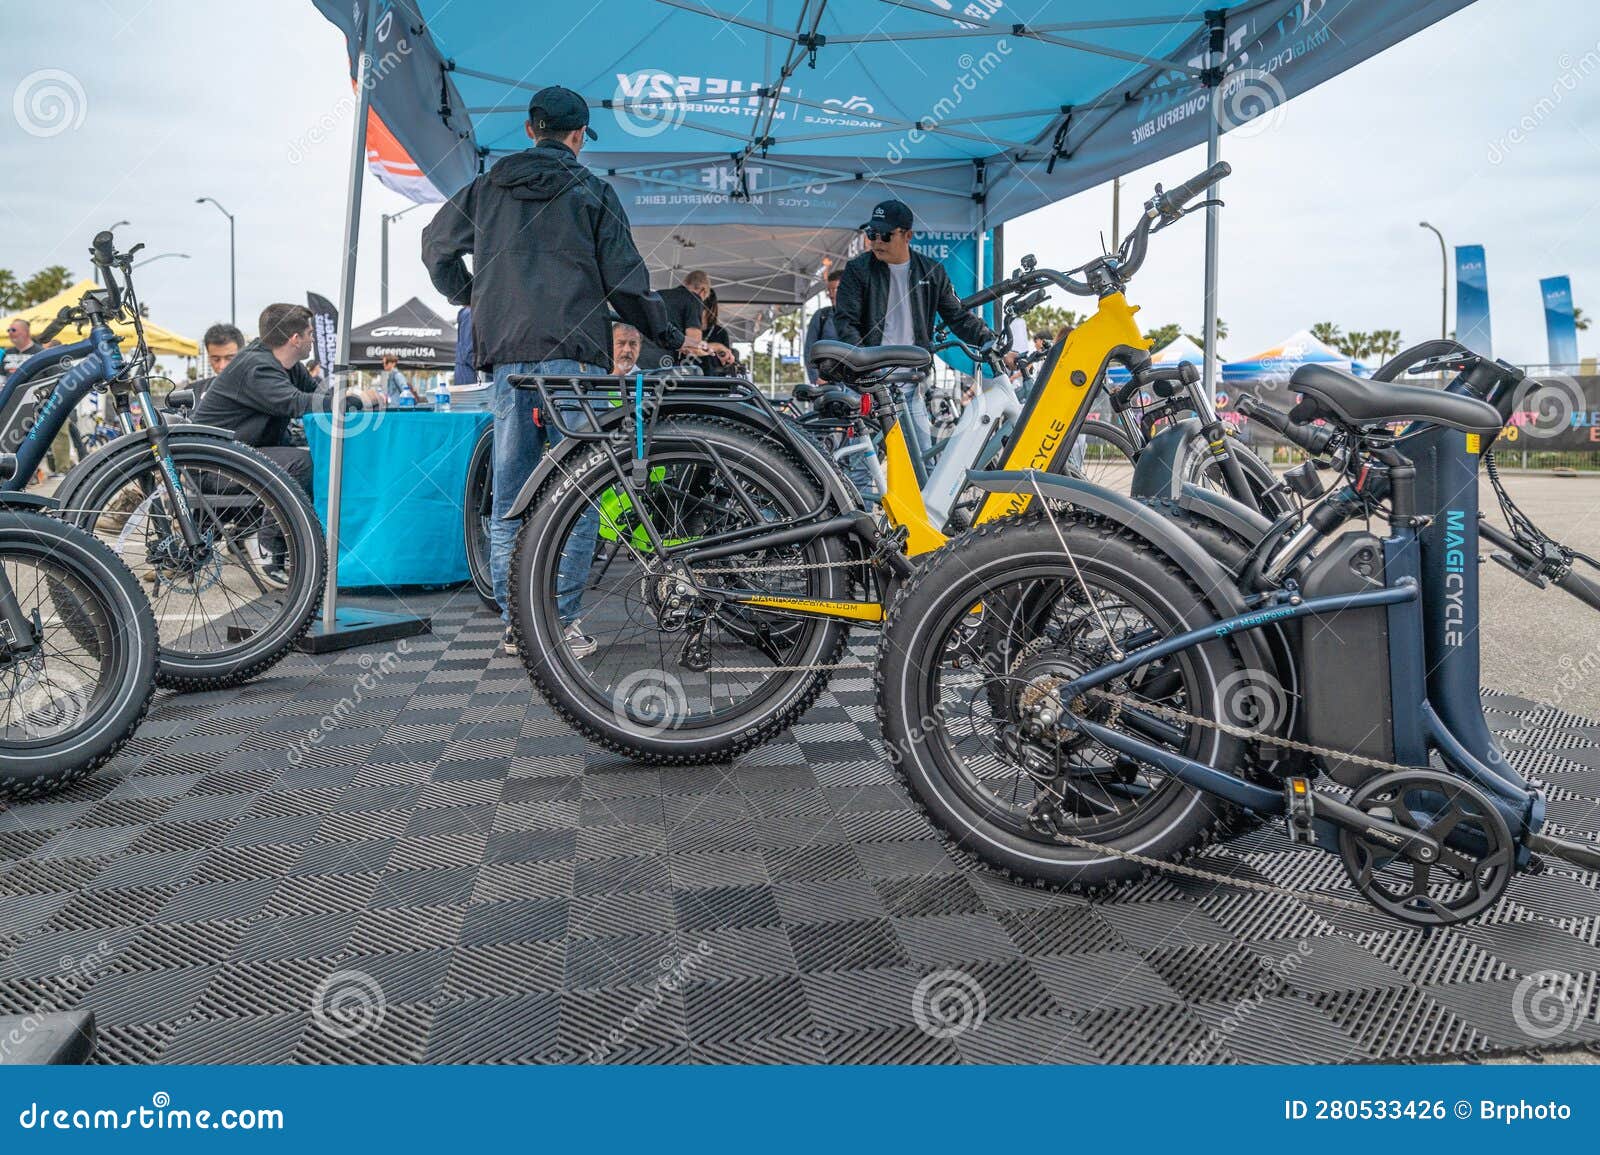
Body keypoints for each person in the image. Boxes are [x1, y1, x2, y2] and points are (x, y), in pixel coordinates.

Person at [421, 84, 696, 655]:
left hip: (509, 357)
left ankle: (516, 626)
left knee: (511, 492)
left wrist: (474, 296)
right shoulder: (592, 190)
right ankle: (561, 623)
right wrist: (669, 337)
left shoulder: (486, 189)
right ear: (578, 137)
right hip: (577, 360)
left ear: (529, 129)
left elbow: (434, 246)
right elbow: (627, 284)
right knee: (583, 489)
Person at [834, 199, 994, 462]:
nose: (876, 242)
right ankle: (859, 505)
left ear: (907, 235)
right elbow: (846, 323)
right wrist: (865, 367)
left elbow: (958, 318)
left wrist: (990, 342)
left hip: (911, 384)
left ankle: (920, 505)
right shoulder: (857, 270)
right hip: (868, 384)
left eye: (884, 235)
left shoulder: (932, 271)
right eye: (871, 234)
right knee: (863, 468)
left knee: (922, 463)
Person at [192, 303, 337, 582]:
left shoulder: (288, 366)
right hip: (214, 466)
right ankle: (269, 549)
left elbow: (318, 395)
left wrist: (346, 402)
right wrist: (352, 402)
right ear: (295, 339)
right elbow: (295, 403)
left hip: (240, 455)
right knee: (300, 463)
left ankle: (305, 544)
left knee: (309, 457)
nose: (313, 339)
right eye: (309, 333)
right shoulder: (257, 367)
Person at [802, 267, 844, 385]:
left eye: (835, 290)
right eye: (829, 290)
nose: (831, 295)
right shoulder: (821, 316)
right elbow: (809, 350)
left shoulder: (862, 317)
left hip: (856, 385)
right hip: (828, 383)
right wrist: (816, 377)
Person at [191, 322, 245, 405]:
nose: (222, 366)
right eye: (216, 359)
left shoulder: (261, 392)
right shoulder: (193, 392)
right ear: (208, 357)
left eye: (229, 358)